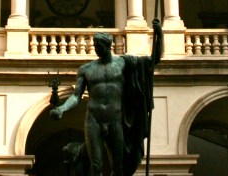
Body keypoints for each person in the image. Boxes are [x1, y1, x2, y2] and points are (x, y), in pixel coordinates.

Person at [51, 19, 163, 176]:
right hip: (93, 120)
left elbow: (153, 61)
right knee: (96, 165)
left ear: (108, 46)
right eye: (95, 46)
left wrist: (159, 34)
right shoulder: (86, 69)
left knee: (119, 166)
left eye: (99, 47)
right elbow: (77, 96)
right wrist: (62, 108)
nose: (96, 50)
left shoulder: (123, 63)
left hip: (115, 119)